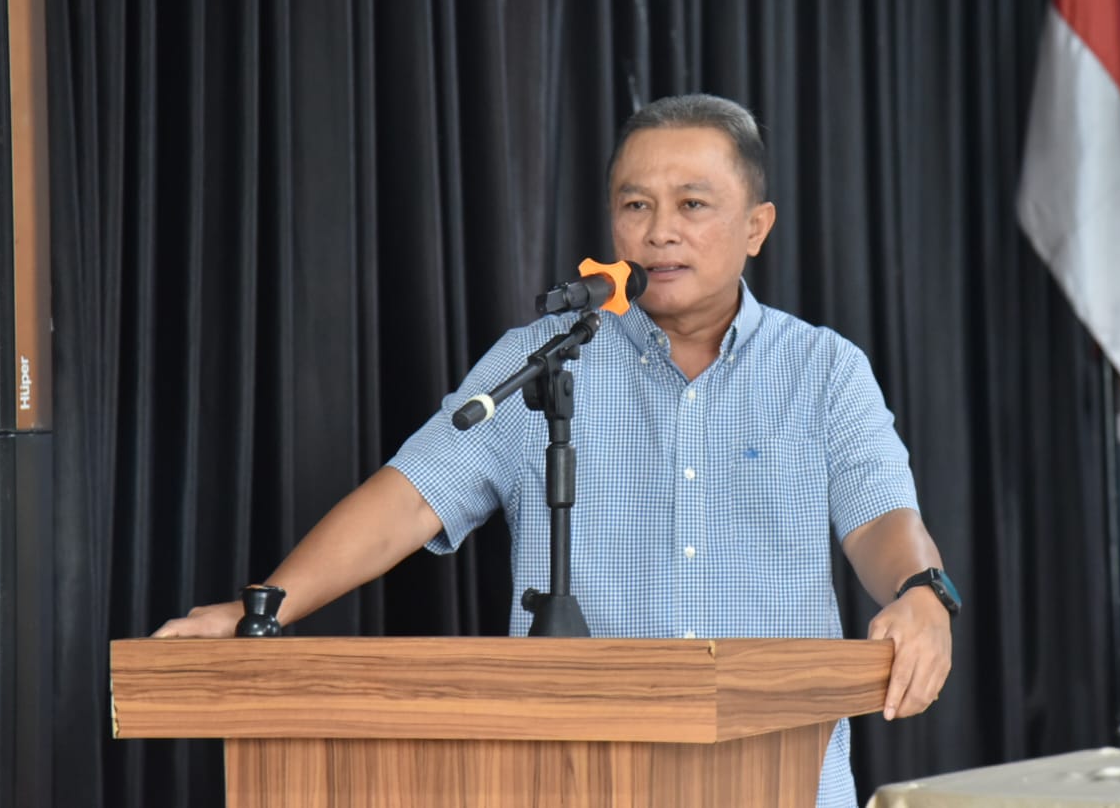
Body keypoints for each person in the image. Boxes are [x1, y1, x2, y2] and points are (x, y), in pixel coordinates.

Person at [155, 94, 956, 806]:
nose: (659, 231)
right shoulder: (543, 359)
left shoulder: (821, 369)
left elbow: (880, 513)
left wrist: (920, 592)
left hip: (779, 782)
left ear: (756, 226)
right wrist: (261, 610)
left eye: (692, 204)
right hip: (574, 781)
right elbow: (410, 497)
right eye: (635, 204)